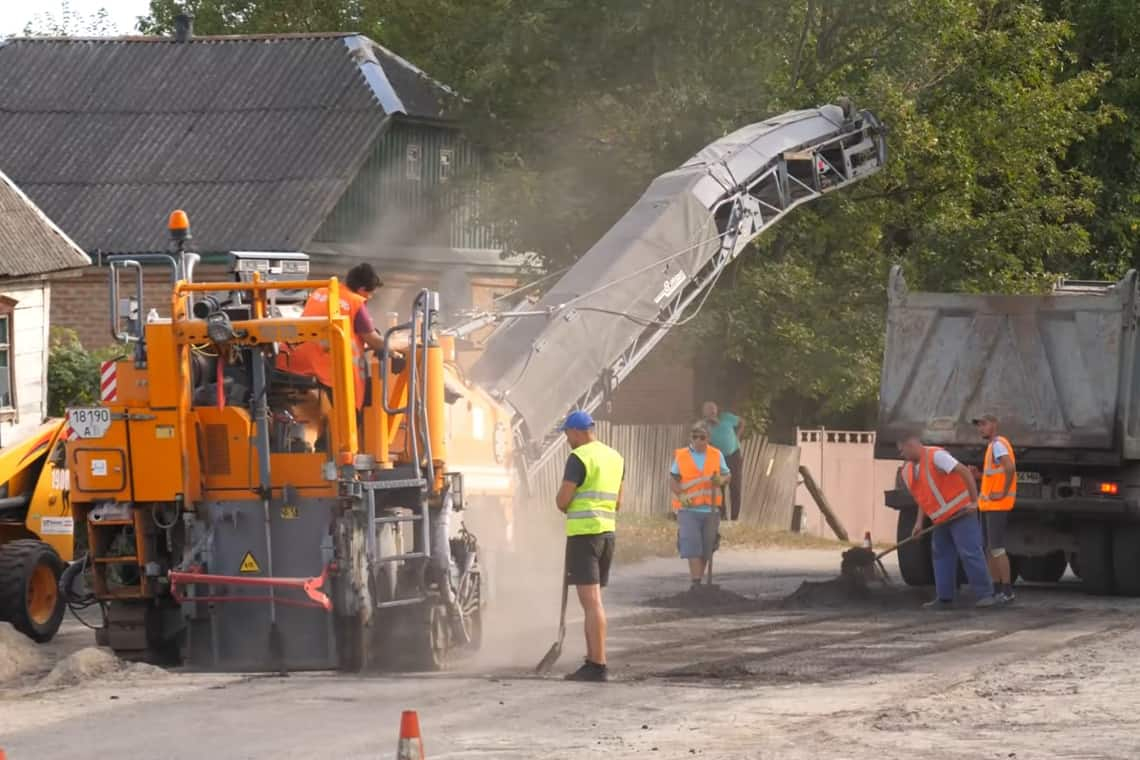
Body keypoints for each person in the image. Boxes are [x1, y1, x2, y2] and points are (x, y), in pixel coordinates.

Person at [555, 410, 624, 682]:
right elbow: (618, 502)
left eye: (567, 434)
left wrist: (568, 504)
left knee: (591, 603)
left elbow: (562, 501)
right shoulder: (615, 457)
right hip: (607, 535)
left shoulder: (579, 458)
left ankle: (597, 663)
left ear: (578, 431)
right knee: (595, 601)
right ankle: (593, 659)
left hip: (585, 536)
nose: (566, 439)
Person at [898, 431, 997, 609]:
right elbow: (922, 497)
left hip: (961, 512)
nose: (902, 455)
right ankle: (945, 598)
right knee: (941, 555)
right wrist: (919, 523)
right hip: (941, 519)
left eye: (903, 450)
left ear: (912, 445)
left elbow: (965, 472)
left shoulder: (937, 456)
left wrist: (975, 502)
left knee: (970, 552)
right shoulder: (908, 471)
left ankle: (986, 595)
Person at [670, 421, 731, 591]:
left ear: (708, 439)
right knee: (692, 545)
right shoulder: (682, 456)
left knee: (707, 547)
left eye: (702, 437)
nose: (698, 440)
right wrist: (681, 495)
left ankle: (698, 582)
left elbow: (727, 475)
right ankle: (696, 583)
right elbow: (673, 479)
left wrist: (721, 480)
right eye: (694, 437)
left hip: (710, 510)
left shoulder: (716, 455)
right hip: (688, 510)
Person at [974, 413, 1017, 603]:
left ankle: (1006, 591)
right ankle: (997, 589)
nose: (981, 428)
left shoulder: (998, 444)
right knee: (991, 548)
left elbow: (1009, 468)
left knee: (996, 548)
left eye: (984, 424)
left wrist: (1002, 492)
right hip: (989, 505)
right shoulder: (993, 446)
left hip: (997, 505)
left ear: (994, 424)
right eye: (979, 425)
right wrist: (979, 475)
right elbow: (996, 475)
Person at [703, 402, 744, 521]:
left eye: (712, 410)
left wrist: (737, 436)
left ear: (716, 410)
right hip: (718, 458)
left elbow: (742, 422)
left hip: (734, 455)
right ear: (705, 414)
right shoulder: (705, 426)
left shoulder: (726, 417)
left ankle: (735, 518)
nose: (711, 412)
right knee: (719, 487)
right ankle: (722, 516)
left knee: (735, 486)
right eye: (708, 411)